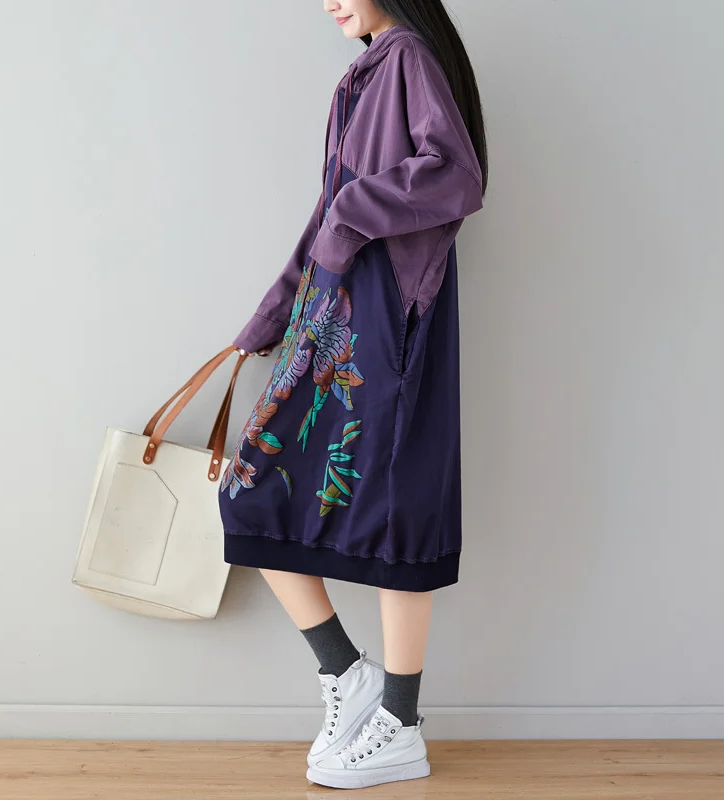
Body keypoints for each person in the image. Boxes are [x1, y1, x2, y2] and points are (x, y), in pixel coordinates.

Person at [218, 0, 487, 789]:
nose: (328, 1)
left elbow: (456, 175)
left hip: (386, 319)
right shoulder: (367, 73)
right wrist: (273, 315)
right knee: (246, 491)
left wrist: (350, 213)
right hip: (334, 315)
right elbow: (327, 215)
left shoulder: (406, 57)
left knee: (400, 511)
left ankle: (401, 722)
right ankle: (347, 672)